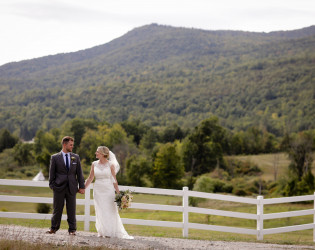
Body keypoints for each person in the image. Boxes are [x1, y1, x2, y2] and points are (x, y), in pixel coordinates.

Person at [85, 146, 133, 239]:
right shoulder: (94, 164)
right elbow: (91, 178)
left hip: (108, 189)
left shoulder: (111, 165)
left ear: (103, 154)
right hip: (98, 189)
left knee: (109, 209)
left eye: (97, 152)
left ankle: (109, 231)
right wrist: (83, 188)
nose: (95, 153)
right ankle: (102, 231)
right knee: (99, 209)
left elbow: (114, 180)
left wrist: (119, 193)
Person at [46, 136, 85, 235]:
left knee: (71, 209)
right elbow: (52, 173)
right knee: (57, 209)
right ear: (64, 145)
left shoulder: (76, 157)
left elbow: (79, 173)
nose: (72, 146)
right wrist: (52, 185)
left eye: (72, 145)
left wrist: (82, 186)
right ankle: (53, 228)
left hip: (72, 187)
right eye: (70, 145)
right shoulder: (55, 157)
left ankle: (72, 230)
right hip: (58, 187)